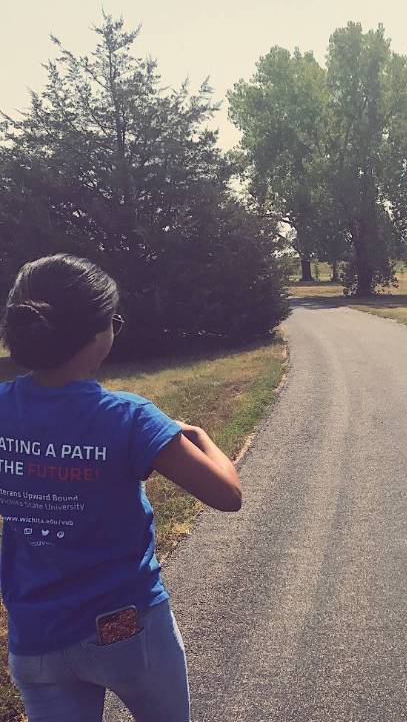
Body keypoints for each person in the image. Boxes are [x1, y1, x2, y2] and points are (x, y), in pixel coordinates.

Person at [0, 254, 242, 722]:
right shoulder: (129, 417)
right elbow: (227, 494)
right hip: (127, 628)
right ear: (98, 334)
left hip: (35, 637)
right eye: (114, 321)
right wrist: (197, 435)